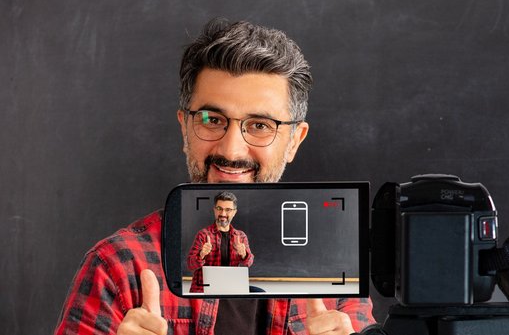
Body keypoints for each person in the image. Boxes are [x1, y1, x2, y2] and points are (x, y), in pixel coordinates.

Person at [54, 18, 374, 335]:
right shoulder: (118, 268)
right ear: (185, 128)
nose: (232, 150)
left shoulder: (334, 278)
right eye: (211, 119)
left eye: (260, 125)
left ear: (294, 141)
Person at [188, 191, 254, 293]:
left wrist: (244, 254)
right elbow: (190, 265)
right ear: (214, 210)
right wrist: (201, 255)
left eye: (228, 210)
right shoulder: (203, 234)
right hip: (205, 291)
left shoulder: (241, 236)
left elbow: (249, 263)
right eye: (219, 209)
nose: (223, 214)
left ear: (234, 212)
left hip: (231, 289)